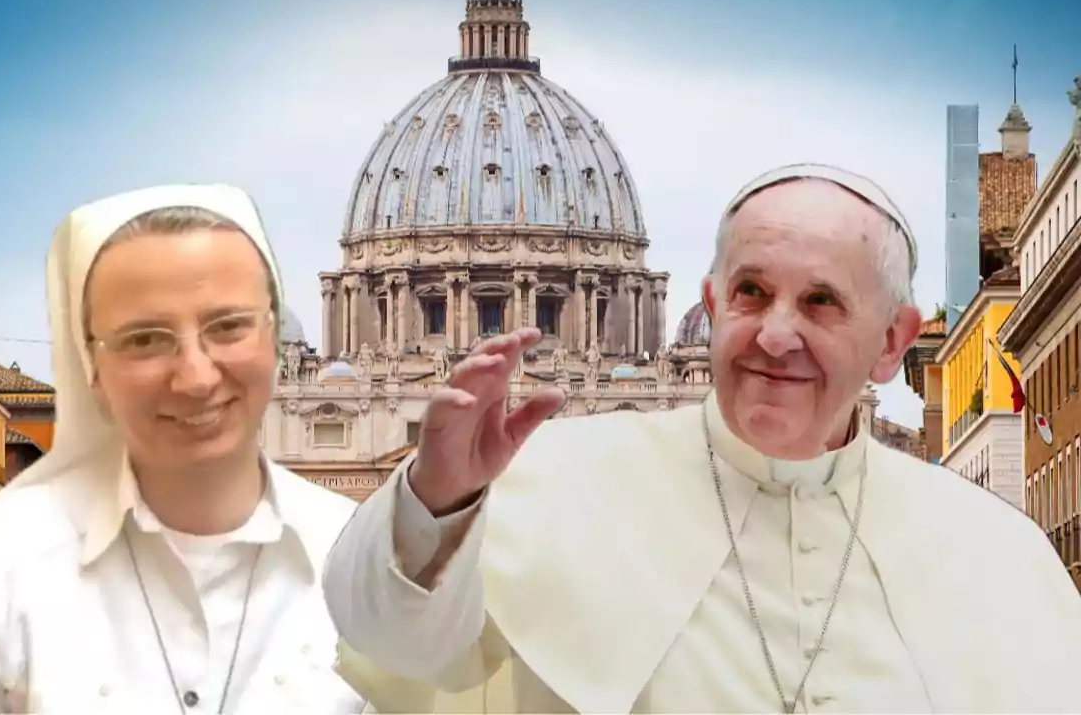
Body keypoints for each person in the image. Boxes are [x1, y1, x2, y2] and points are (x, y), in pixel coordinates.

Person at [322, 163, 1081, 713]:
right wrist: (435, 500)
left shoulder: (1001, 554)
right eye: (752, 293)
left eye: (821, 303)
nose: (776, 335)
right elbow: (392, 647)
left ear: (892, 341)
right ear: (713, 306)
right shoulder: (546, 476)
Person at [0, 185, 364, 713]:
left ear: (276, 341)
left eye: (227, 327)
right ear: (89, 364)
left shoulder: (374, 562)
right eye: (145, 339)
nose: (196, 378)